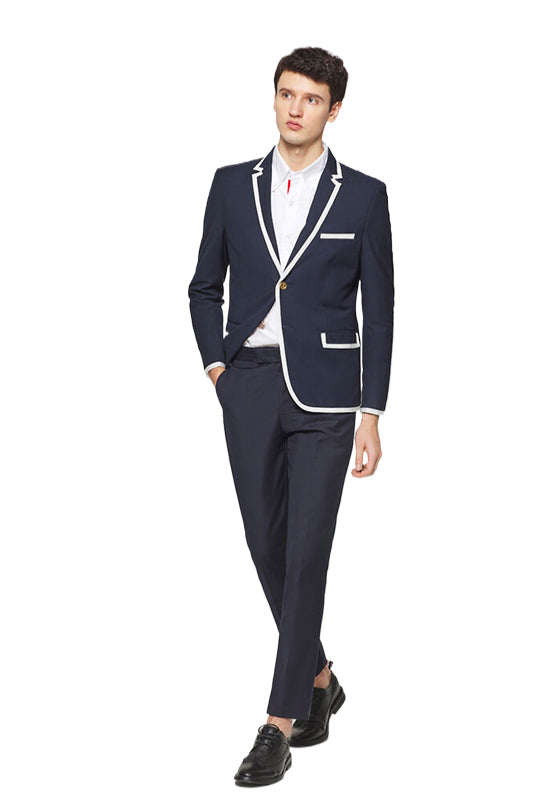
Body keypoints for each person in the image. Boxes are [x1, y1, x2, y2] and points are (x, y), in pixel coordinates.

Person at [187, 46, 394, 787]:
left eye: (310, 98)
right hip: (247, 383)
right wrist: (218, 367)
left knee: (307, 549)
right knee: (264, 540)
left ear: (334, 110)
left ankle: (281, 720)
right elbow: (203, 286)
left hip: (329, 397)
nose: (294, 108)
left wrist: (372, 411)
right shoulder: (230, 185)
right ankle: (320, 676)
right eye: (285, 94)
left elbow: (380, 306)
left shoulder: (363, 196)